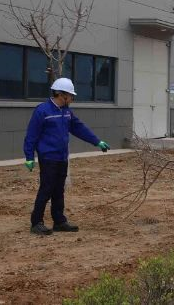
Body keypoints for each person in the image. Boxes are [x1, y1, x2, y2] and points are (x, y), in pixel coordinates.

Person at [23, 77, 110, 235]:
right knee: (46, 189)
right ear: (61, 94)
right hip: (48, 158)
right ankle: (36, 223)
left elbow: (79, 128)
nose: (72, 98)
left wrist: (97, 142)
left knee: (58, 190)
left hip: (62, 157)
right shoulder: (42, 111)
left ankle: (59, 221)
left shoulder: (66, 112)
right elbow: (31, 135)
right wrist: (29, 156)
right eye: (70, 95)